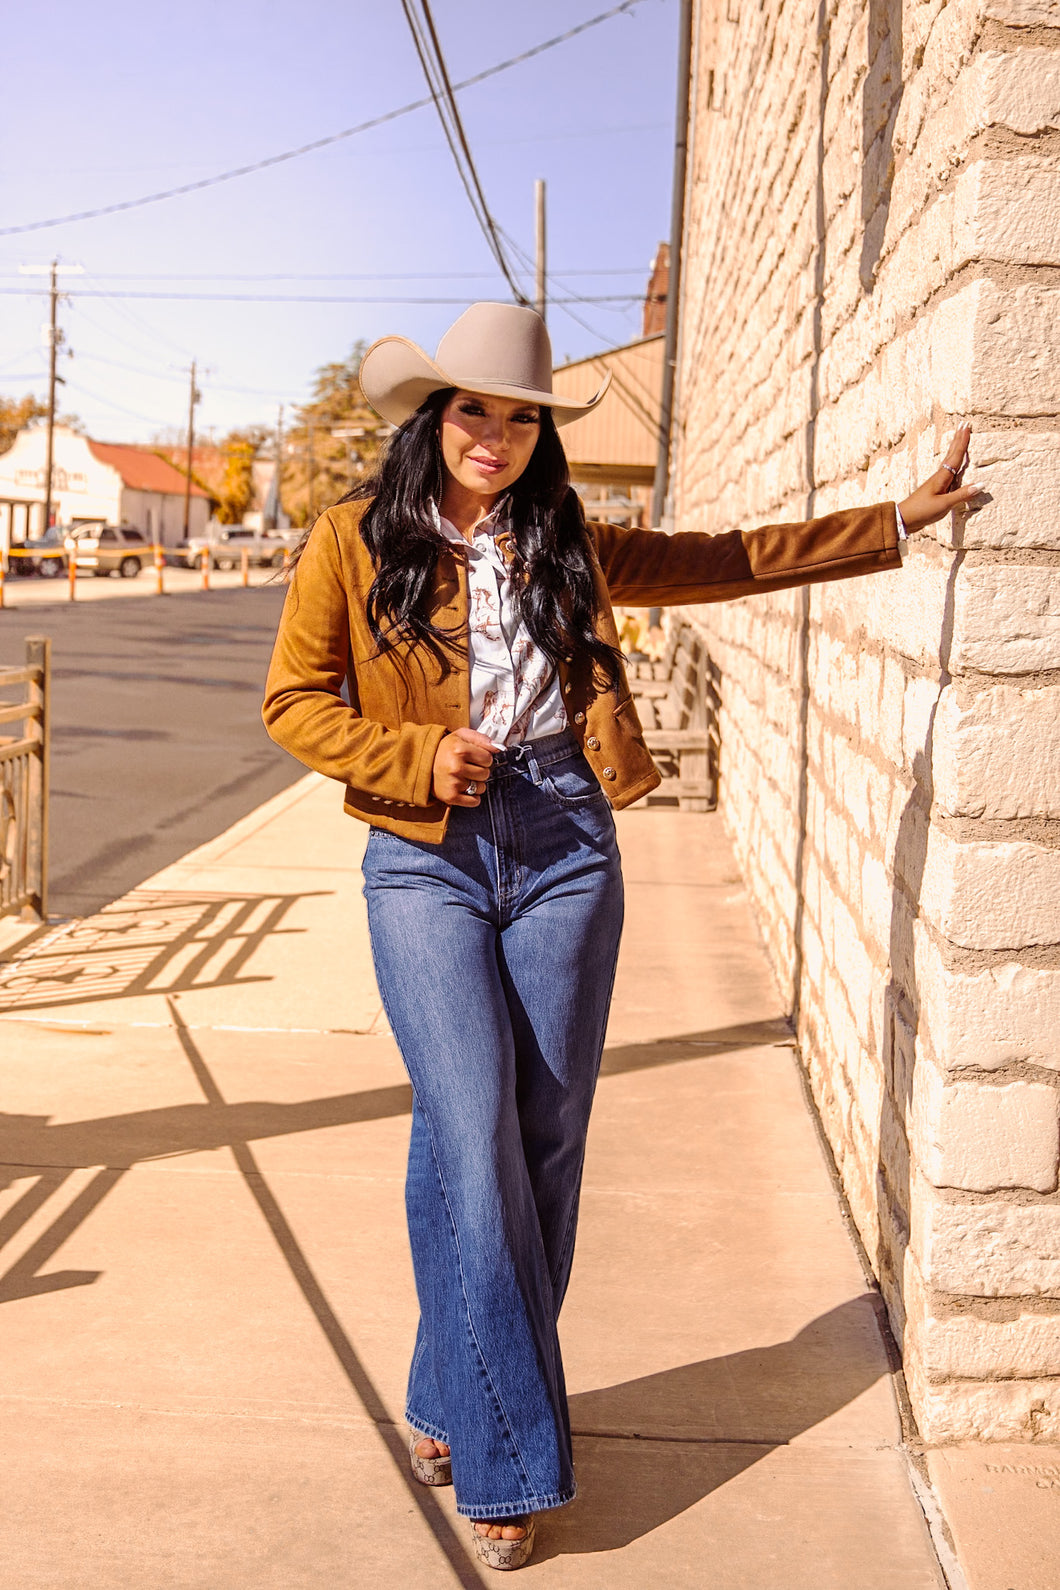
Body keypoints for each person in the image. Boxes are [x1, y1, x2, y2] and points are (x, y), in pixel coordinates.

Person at [262, 301, 979, 1570]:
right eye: (474, 409)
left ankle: (445, 1395)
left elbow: (728, 556)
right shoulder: (349, 543)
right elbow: (293, 702)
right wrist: (415, 754)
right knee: (470, 1130)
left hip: (563, 846)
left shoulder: (565, 540)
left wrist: (893, 524)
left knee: (535, 1141)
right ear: (434, 417)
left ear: (543, 435)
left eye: (521, 416)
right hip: (419, 856)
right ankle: (506, 1463)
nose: (496, 434)